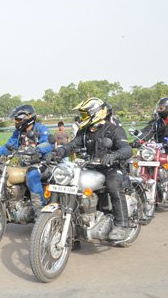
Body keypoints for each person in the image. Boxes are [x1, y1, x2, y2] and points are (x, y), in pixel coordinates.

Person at [46, 97, 132, 240]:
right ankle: (74, 230)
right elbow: (72, 146)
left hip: (111, 167)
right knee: (68, 182)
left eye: (85, 114)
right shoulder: (84, 132)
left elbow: (126, 149)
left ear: (97, 113)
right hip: (91, 167)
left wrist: (114, 155)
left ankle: (121, 224)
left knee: (112, 184)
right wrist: (58, 152)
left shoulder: (114, 130)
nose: (82, 118)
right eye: (82, 115)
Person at [0, 104, 52, 206]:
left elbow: (48, 143)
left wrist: (37, 148)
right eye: (15, 119)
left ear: (28, 118)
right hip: (24, 164)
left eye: (18, 119)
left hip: (41, 163)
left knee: (32, 175)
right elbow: (9, 146)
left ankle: (39, 207)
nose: (16, 122)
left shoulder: (40, 129)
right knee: (4, 173)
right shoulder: (18, 133)